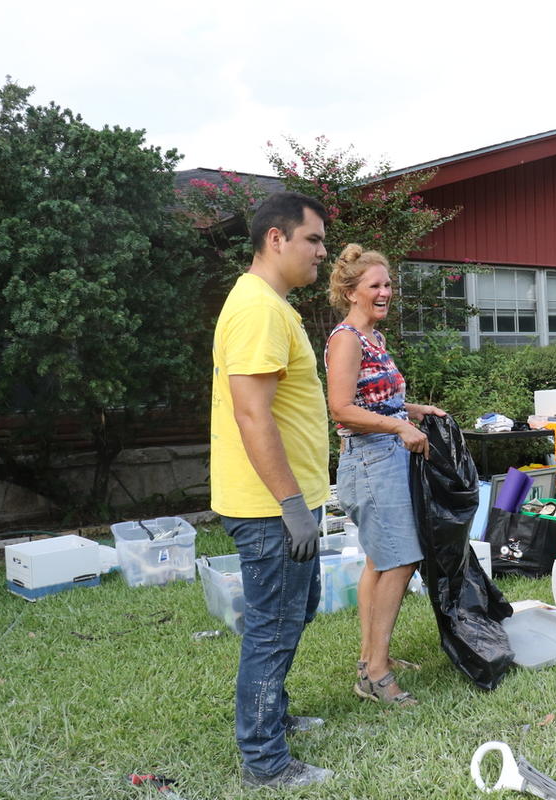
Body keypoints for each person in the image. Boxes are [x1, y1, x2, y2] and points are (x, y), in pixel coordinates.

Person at [210, 192, 334, 789]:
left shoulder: (270, 304)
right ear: (276, 239)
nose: (323, 252)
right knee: (275, 624)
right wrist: (291, 506)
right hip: (270, 509)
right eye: (313, 240)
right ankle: (266, 760)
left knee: (294, 610)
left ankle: (273, 716)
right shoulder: (259, 308)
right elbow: (252, 416)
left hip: (287, 503)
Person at [324, 243, 445, 708]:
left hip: (386, 455)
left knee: (380, 559)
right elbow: (341, 408)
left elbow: (375, 399)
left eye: (388, 284)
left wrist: (415, 410)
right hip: (370, 459)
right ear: (351, 291)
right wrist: (399, 425)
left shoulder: (374, 338)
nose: (385, 292)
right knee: (400, 559)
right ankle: (376, 674)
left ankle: (372, 657)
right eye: (374, 285)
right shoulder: (347, 338)